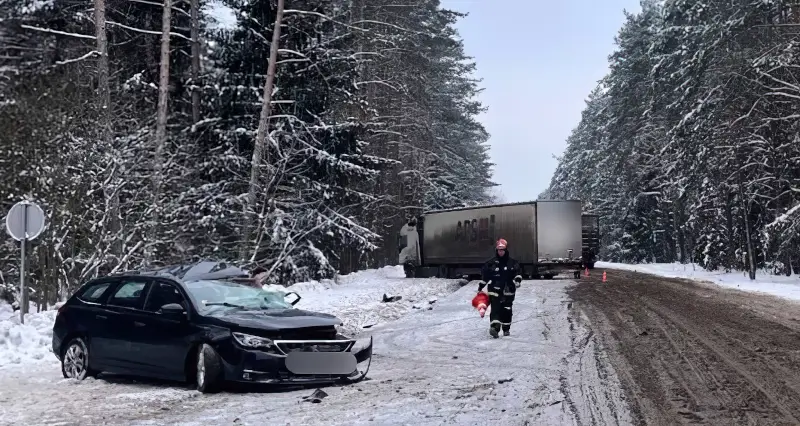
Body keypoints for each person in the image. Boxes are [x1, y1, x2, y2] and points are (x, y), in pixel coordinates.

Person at [478, 238, 523, 338]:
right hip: (494, 290)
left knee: (507, 310)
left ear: (506, 250)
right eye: (499, 250)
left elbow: (518, 273)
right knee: (495, 309)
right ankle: (494, 329)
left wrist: (517, 281)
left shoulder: (513, 263)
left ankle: (506, 329)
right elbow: (485, 276)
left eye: (502, 250)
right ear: (496, 250)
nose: (500, 252)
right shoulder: (491, 263)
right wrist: (481, 286)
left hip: (508, 291)